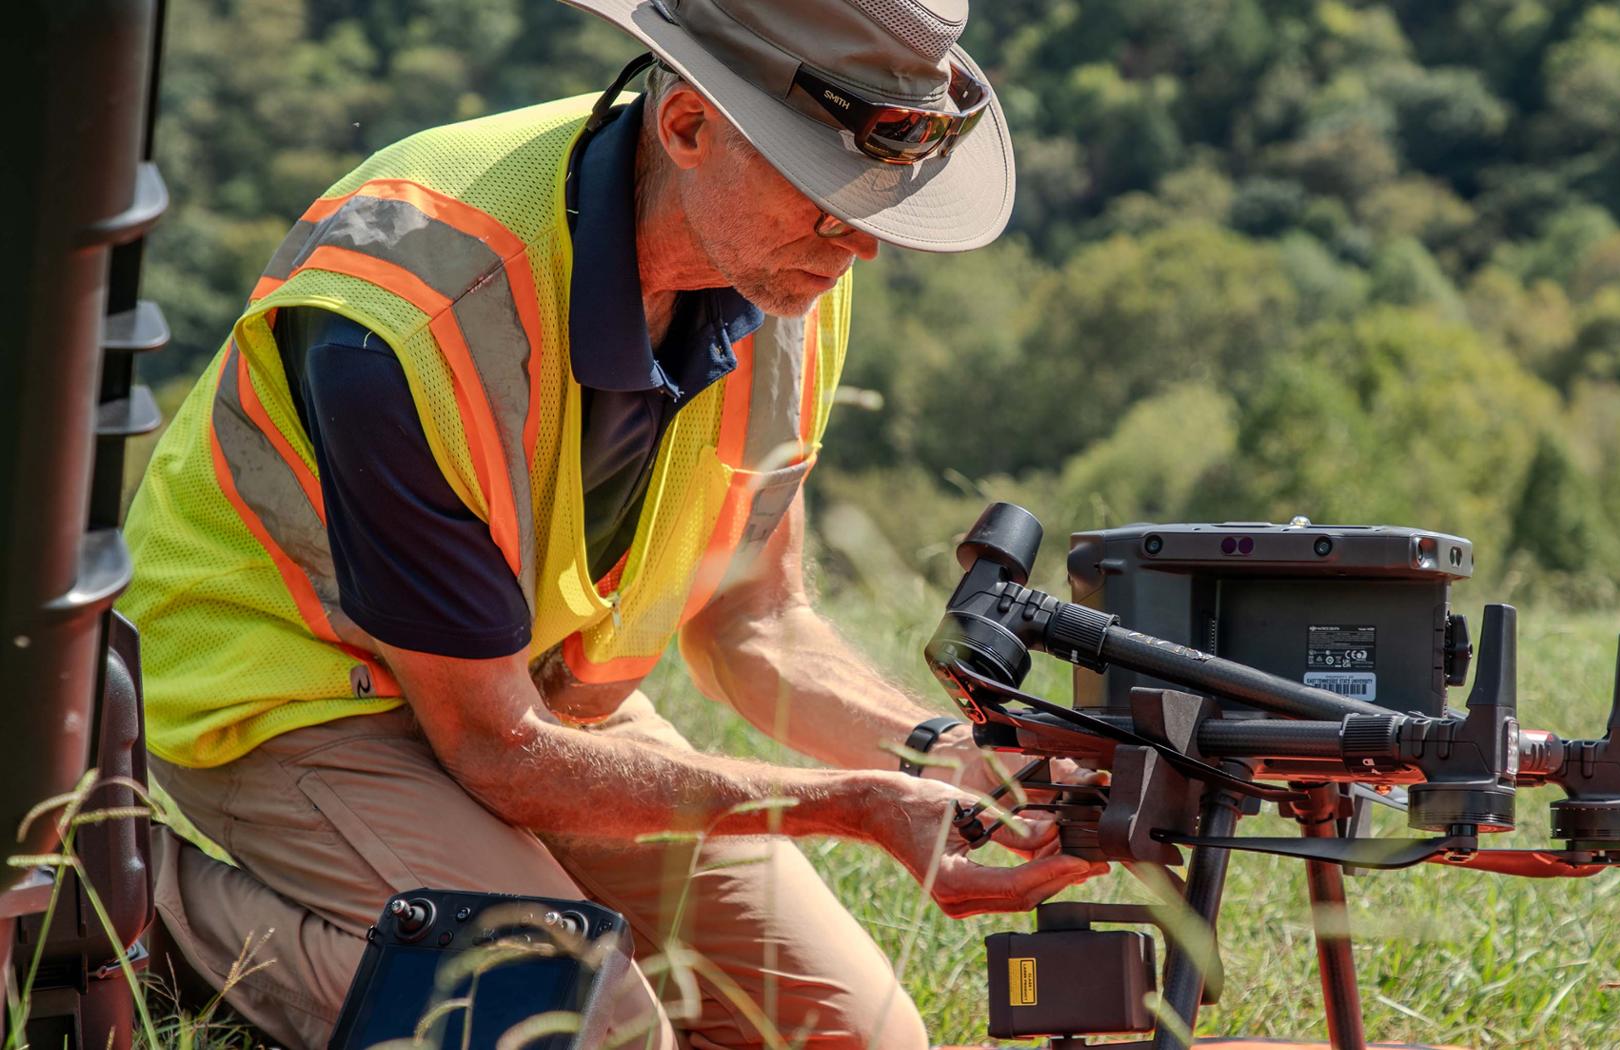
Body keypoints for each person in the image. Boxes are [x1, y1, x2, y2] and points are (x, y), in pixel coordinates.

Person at [121, 0, 1105, 1045]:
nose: (858, 242)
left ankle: (433, 934)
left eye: (880, 202)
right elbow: (495, 752)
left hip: (532, 693)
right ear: (686, 126)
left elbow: (753, 623)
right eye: (826, 198)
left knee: (857, 1037)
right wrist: (851, 806)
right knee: (580, 1025)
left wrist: (943, 754)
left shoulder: (785, 274)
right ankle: (153, 935)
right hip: (292, 697)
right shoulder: (405, 314)